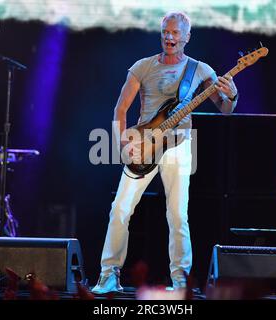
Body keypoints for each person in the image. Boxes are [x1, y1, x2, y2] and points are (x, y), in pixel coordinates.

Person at [91, 11, 238, 294]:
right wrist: (124, 142)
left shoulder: (200, 70)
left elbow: (226, 109)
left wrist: (232, 94)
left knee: (177, 214)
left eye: (174, 33)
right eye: (165, 32)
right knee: (120, 209)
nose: (169, 38)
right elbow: (120, 109)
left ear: (187, 37)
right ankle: (108, 275)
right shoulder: (142, 67)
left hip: (179, 146)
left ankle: (180, 281)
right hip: (144, 144)